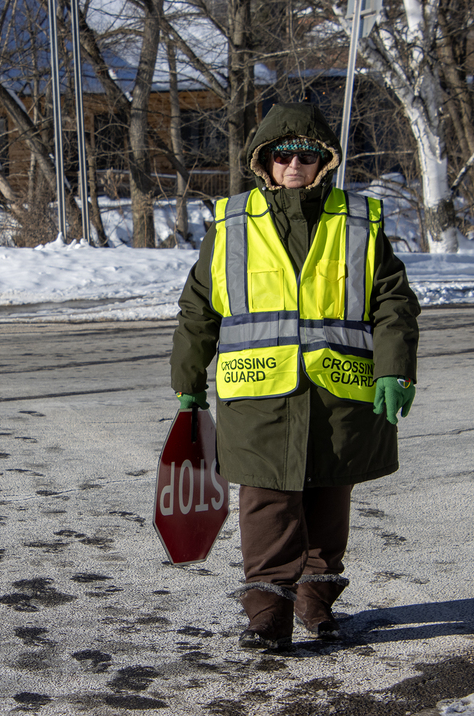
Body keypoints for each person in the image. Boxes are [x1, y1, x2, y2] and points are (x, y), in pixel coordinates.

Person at [170, 103, 421, 652]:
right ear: (264, 161)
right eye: (282, 155)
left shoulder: (359, 221)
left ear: (323, 162)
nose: (294, 164)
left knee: (328, 500)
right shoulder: (232, 223)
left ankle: (316, 602)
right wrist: (188, 377)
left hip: (340, 394)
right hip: (259, 392)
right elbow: (198, 307)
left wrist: (396, 369)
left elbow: (394, 303)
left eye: (306, 155)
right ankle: (267, 615)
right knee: (267, 503)